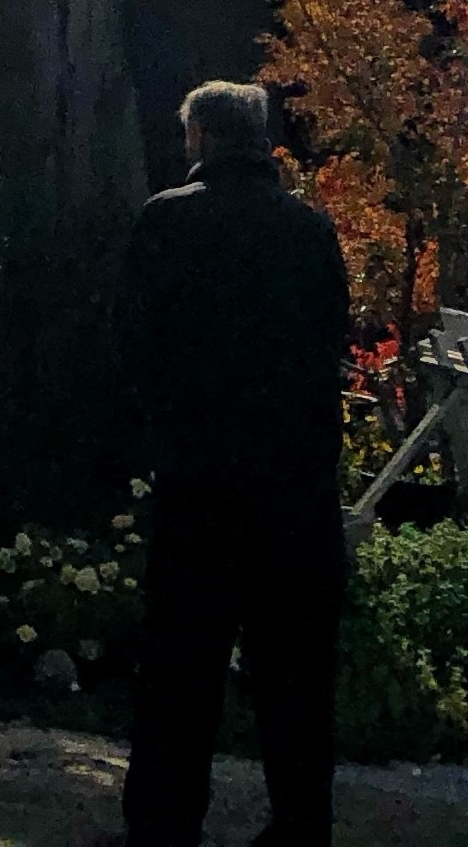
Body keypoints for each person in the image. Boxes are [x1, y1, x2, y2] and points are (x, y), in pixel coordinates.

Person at [111, 79, 352, 847]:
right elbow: (331, 342)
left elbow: (133, 342)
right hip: (296, 487)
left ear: (201, 139)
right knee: (296, 675)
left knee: (180, 668)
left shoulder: (168, 221)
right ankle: (300, 825)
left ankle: (164, 824)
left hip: (201, 479)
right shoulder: (311, 231)